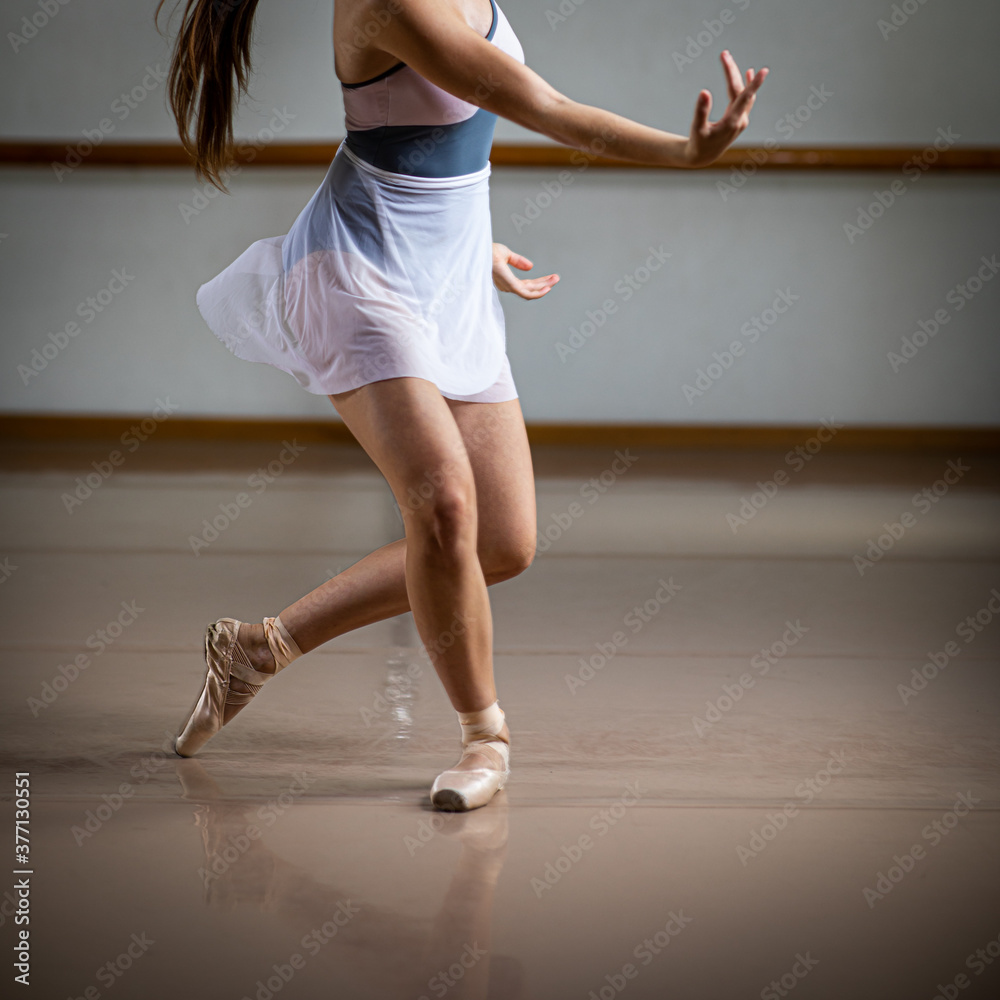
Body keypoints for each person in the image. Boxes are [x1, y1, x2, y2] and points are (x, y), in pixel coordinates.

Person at [159, 0, 768, 811]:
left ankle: (258, 649)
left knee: (503, 542)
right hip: (359, 270)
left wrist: (469, 245)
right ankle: (486, 736)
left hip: (446, 276)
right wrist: (685, 152)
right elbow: (541, 106)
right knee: (444, 504)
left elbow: (427, 128)